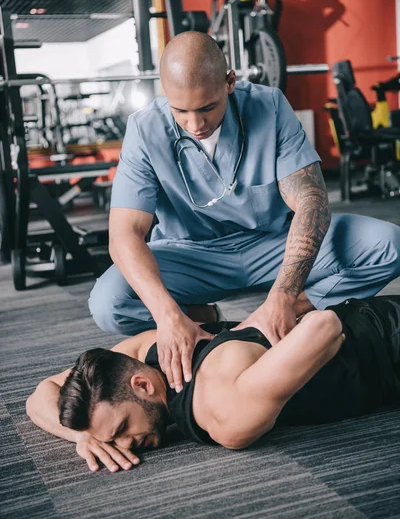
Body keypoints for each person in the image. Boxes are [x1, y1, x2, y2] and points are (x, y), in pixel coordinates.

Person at [88, 31, 400, 394]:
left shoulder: (269, 105)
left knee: (389, 244)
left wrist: (283, 296)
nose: (194, 124)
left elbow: (312, 201)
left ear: (230, 82)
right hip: (191, 255)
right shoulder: (144, 129)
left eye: (207, 108)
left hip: (273, 244)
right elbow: (124, 234)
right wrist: (168, 316)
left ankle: (273, 316)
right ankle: (204, 318)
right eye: (180, 111)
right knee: (109, 302)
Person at [26, 295, 400, 473]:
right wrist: (81, 436)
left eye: (122, 428)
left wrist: (265, 323)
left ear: (141, 386)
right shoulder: (143, 352)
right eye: (113, 439)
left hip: (385, 344)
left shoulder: (222, 415)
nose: (123, 445)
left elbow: (325, 326)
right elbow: (38, 396)